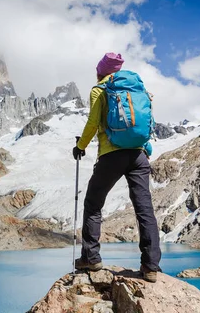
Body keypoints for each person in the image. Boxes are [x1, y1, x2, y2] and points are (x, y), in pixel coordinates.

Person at [72, 52, 162, 283]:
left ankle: (91, 258)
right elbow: (142, 124)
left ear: (100, 71)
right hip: (138, 155)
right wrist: (145, 149)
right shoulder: (135, 89)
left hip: (111, 155)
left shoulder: (100, 90)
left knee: (93, 203)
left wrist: (80, 146)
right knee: (144, 209)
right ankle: (150, 266)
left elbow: (93, 122)